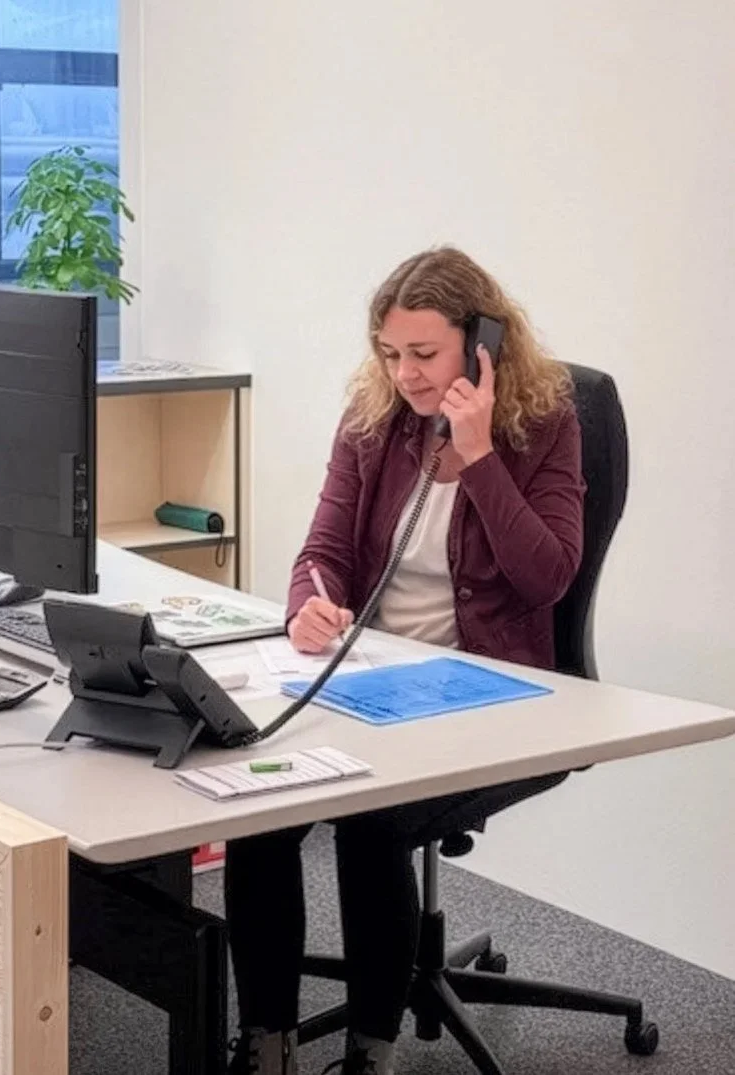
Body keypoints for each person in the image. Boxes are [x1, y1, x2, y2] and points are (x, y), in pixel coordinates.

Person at [226, 246, 586, 1075]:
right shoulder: (372, 419)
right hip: (373, 682)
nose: (407, 374)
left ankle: (370, 1049)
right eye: (392, 354)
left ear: (482, 345)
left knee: (368, 815)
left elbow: (547, 577)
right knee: (259, 804)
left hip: (493, 692)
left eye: (425, 354)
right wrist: (308, 606)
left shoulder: (544, 426)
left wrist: (480, 455)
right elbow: (323, 548)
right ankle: (266, 1040)